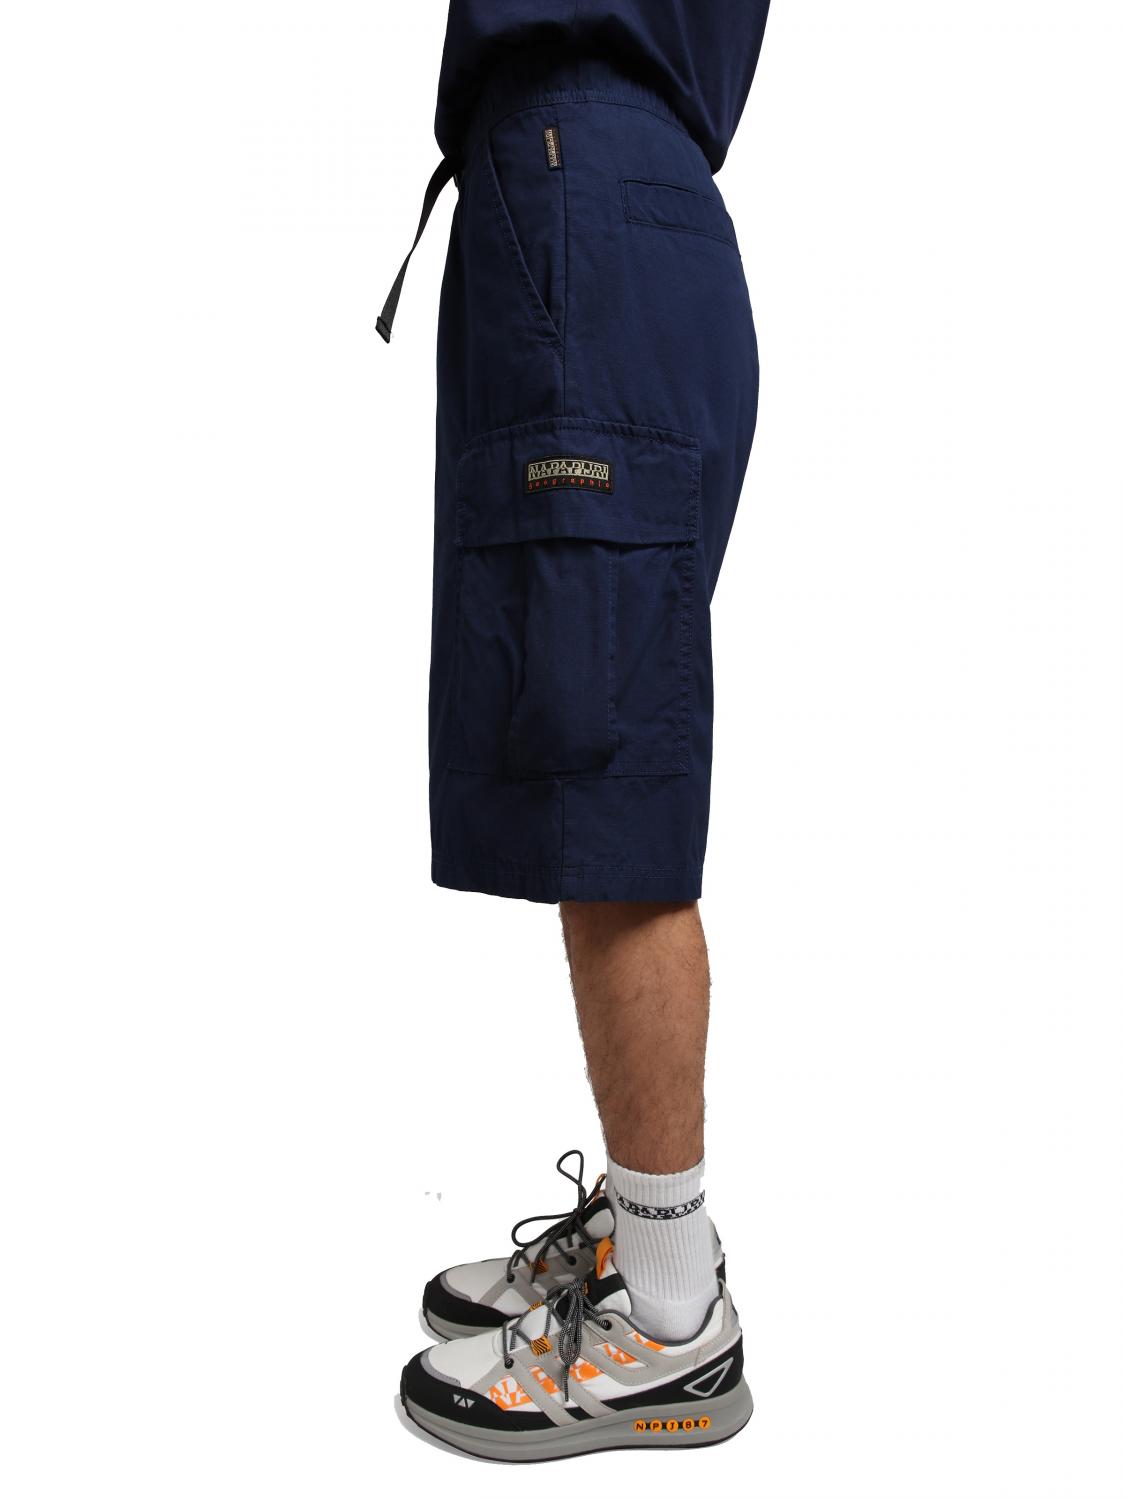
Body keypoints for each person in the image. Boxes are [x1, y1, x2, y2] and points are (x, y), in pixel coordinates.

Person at [378, 0, 771, 1461]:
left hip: (582, 199)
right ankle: (639, 1240)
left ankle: (669, 1317)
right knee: (578, 734)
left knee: (606, 769)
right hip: (577, 202)